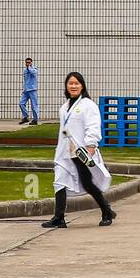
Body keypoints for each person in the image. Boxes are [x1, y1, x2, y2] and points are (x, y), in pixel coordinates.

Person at [41, 71, 115, 228]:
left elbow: (93, 126)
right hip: (65, 152)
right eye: (70, 83)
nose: (73, 86)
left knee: (87, 183)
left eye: (76, 83)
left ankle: (106, 211)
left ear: (82, 86)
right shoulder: (64, 108)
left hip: (81, 152)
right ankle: (59, 217)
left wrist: (91, 145)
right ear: (66, 87)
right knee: (59, 181)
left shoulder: (88, 105)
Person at [19, 57, 39, 125]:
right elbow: (25, 80)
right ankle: (25, 117)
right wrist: (24, 89)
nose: (27, 64)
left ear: (31, 63)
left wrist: (29, 67)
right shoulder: (25, 70)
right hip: (26, 90)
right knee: (21, 103)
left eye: (29, 62)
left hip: (33, 90)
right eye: (26, 62)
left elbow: (32, 73)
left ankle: (35, 120)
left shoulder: (34, 69)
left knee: (34, 105)